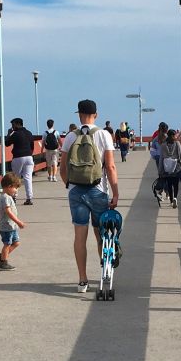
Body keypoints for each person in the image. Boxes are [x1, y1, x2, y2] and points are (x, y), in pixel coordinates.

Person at [60, 99, 119, 294]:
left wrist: (69, 184)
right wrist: (116, 193)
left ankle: (82, 280)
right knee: (101, 233)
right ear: (96, 114)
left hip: (76, 191)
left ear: (79, 114)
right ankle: (105, 272)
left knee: (80, 236)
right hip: (98, 190)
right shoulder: (104, 135)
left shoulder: (70, 136)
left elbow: (62, 168)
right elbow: (110, 167)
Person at [0, 172, 27, 271]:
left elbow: (0, 211)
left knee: (16, 243)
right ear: (9, 186)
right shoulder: (5, 197)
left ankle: (2, 256)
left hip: (11, 226)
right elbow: (7, 211)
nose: (16, 191)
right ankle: (3, 263)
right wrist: (19, 222)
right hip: (7, 226)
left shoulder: (7, 196)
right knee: (7, 244)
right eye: (16, 188)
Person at [5, 118, 36, 205]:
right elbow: (32, 146)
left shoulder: (15, 134)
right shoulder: (29, 133)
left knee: (16, 178)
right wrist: (29, 154)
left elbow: (7, 143)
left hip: (18, 157)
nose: (12, 127)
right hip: (29, 157)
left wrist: (8, 133)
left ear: (18, 124)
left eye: (13, 125)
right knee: (28, 178)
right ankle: (29, 198)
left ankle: (14, 197)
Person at [157, 128, 181, 207]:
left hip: (167, 167)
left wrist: (160, 170)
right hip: (176, 167)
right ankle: (175, 198)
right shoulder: (177, 143)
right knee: (176, 184)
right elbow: (180, 156)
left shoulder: (163, 145)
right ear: (174, 135)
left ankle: (171, 201)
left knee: (169, 184)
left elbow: (161, 158)